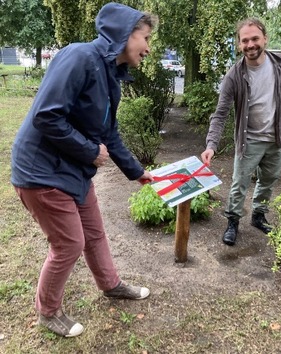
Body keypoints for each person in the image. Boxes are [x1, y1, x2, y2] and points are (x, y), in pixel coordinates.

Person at [10, 3, 156, 338]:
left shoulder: (110, 79)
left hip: (72, 171)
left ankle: (111, 285)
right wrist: (90, 151)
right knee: (69, 244)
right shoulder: (79, 57)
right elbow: (46, 115)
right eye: (145, 37)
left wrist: (137, 172)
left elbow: (109, 135)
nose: (148, 47)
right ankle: (48, 311)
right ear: (126, 32)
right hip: (41, 172)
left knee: (94, 233)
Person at [201, 18, 281, 246]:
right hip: (249, 141)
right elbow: (220, 113)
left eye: (255, 38)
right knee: (239, 183)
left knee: (268, 180)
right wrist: (211, 145)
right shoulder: (234, 75)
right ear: (239, 44)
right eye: (245, 40)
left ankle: (258, 215)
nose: (250, 44)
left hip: (276, 138)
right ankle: (233, 221)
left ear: (265, 38)